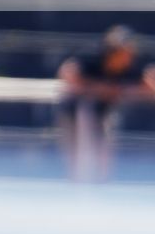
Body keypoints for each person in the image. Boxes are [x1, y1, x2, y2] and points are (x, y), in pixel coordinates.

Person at [57, 26, 155, 181]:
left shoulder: (133, 65)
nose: (128, 55)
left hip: (103, 112)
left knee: (103, 149)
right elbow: (67, 74)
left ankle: (102, 182)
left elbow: (150, 86)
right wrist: (100, 89)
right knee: (77, 153)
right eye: (124, 51)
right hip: (75, 109)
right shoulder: (92, 57)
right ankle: (75, 182)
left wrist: (123, 90)